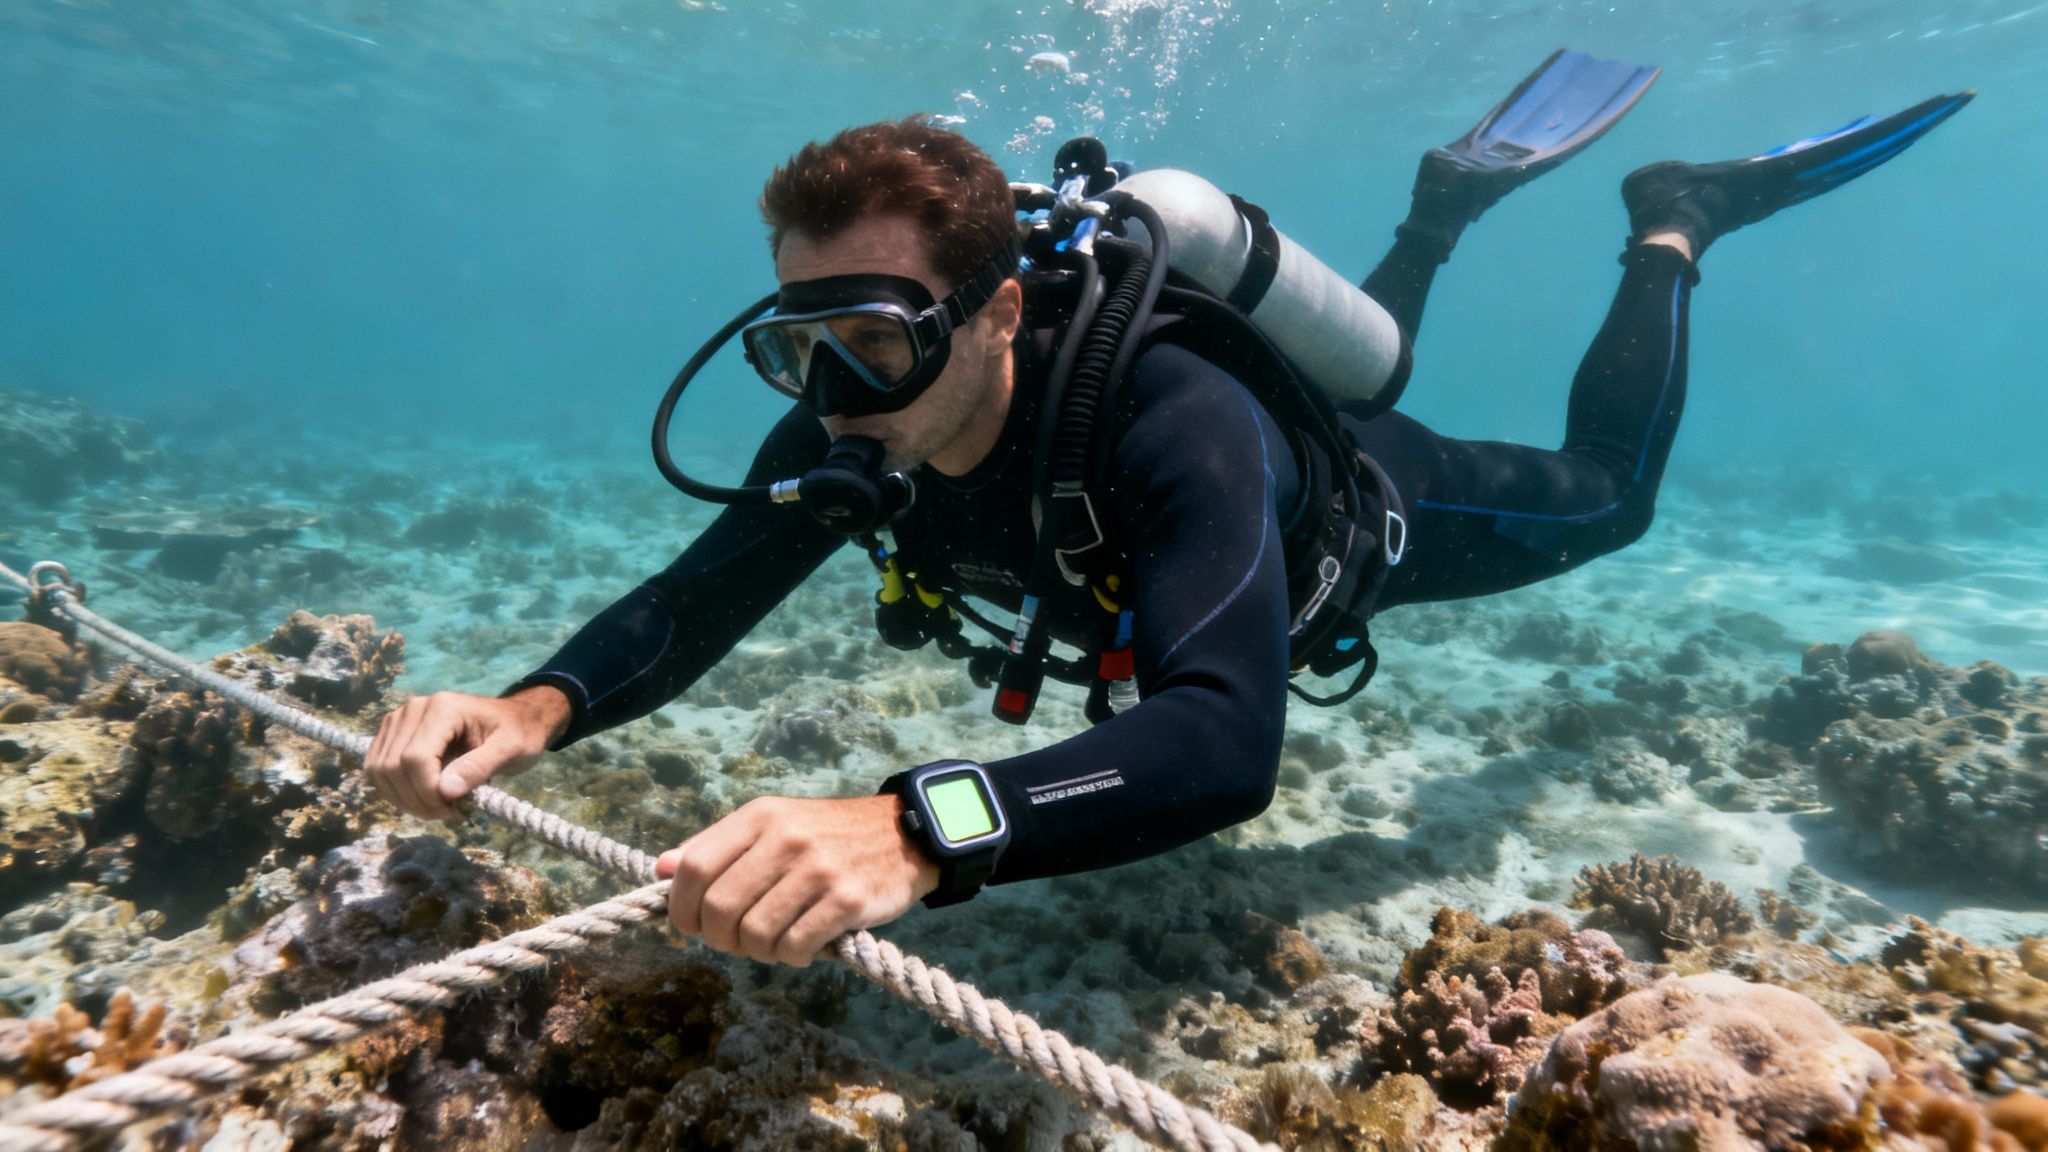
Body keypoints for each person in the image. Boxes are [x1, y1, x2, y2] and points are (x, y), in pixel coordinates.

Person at [366, 53, 1971, 967]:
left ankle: (1671, 227)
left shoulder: (1171, 415)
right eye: (802, 342)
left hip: (1359, 512)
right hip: (1264, 434)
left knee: (1607, 500)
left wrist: (928, 824)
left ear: (996, 315)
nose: (833, 396)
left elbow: (1222, 741)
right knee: (1363, 362)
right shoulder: (856, 418)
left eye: (875, 338)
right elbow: (693, 595)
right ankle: (1439, 214)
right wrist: (532, 708)